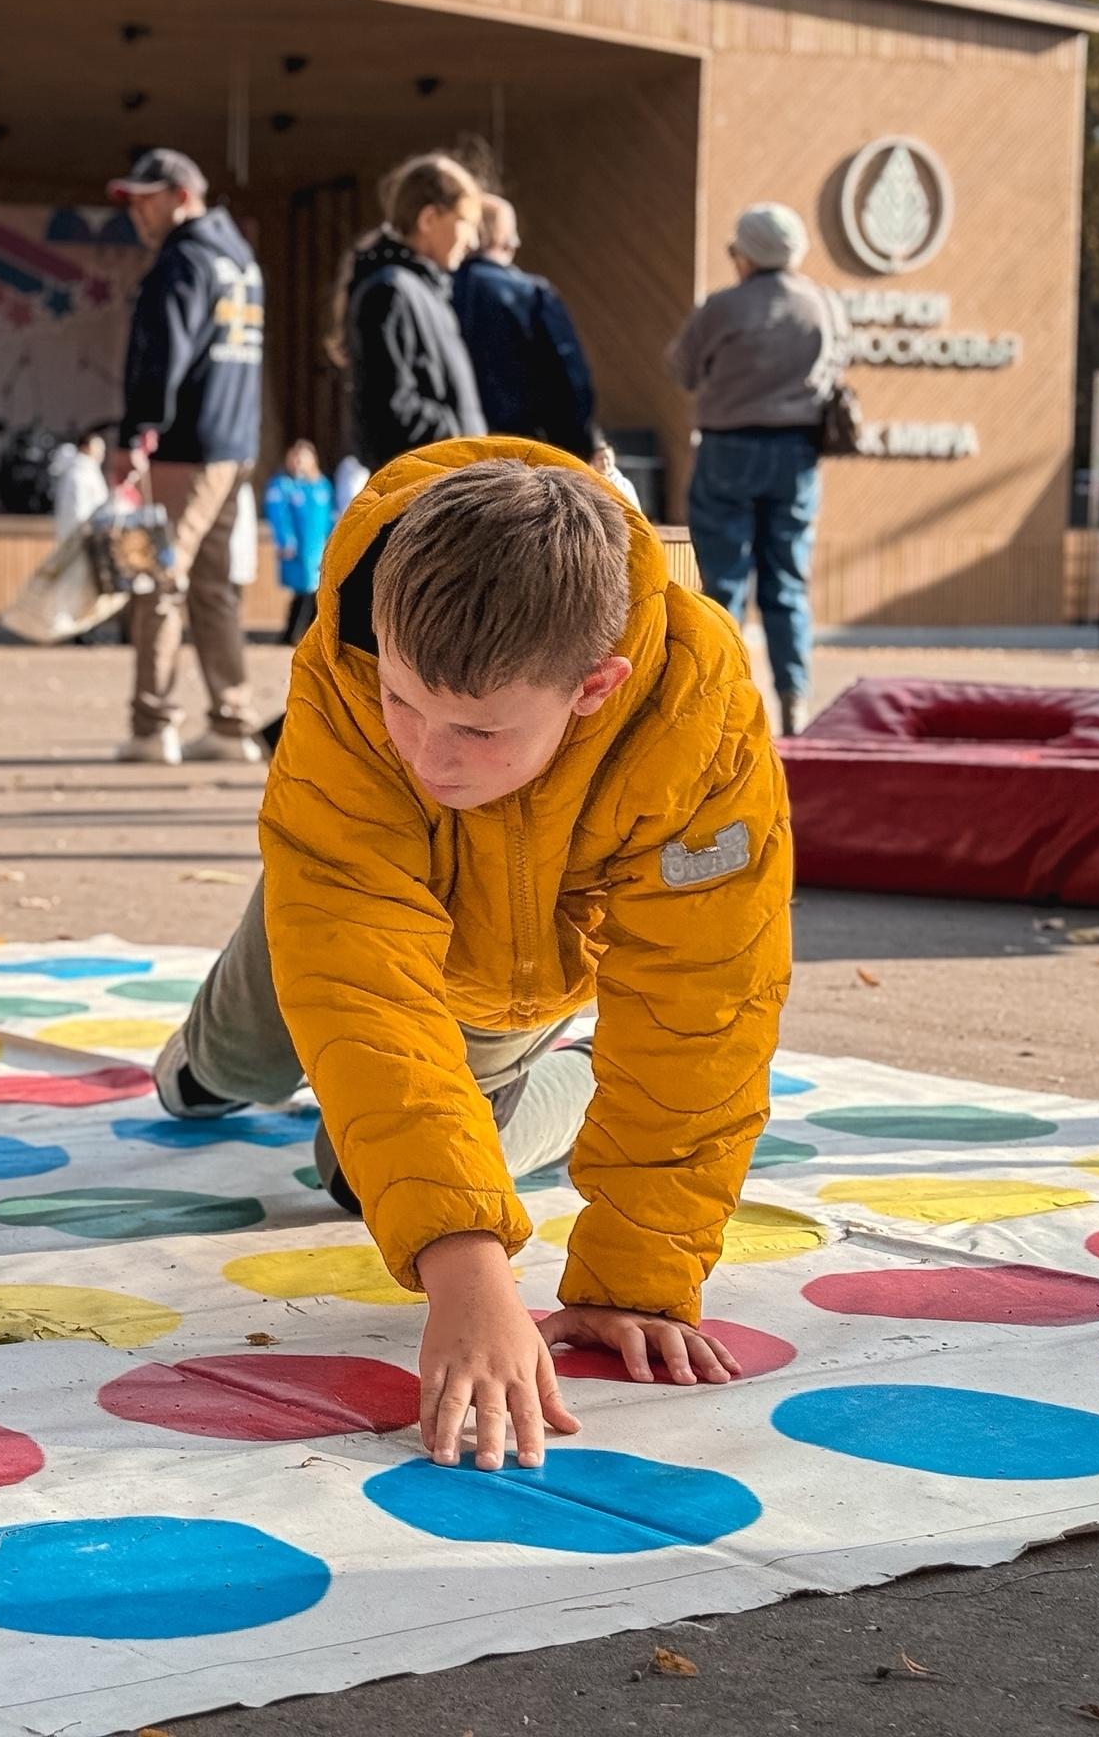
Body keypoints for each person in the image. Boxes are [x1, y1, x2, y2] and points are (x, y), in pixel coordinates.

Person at [154, 446, 791, 1471]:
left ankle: (570, 1083)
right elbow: (353, 968)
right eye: (403, 702)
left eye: (476, 729)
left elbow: (703, 1000)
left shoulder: (696, 709)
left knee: (367, 1185)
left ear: (595, 688)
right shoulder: (351, 645)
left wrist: (634, 1275)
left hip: (518, 972)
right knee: (223, 1069)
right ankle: (202, 1065)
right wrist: (464, 1275)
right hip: (352, 897)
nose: (426, 754)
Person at [667, 202, 846, 738]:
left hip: (729, 448)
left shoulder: (724, 307)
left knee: (722, 582)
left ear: (744, 253)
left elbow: (683, 369)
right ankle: (794, 703)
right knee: (787, 580)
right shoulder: (823, 303)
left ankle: (720, 704)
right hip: (797, 454)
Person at [109, 148, 264, 766]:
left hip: (185, 448)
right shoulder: (240, 258)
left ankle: (153, 725)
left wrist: (133, 433)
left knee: (157, 580)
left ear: (180, 194)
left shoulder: (183, 259)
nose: (137, 213)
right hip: (234, 444)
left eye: (146, 199)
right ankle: (231, 721)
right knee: (213, 587)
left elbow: (160, 354)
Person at [337, 153, 486, 470]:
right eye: (465, 223)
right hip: (421, 495)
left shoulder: (427, 292)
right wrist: (464, 439)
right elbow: (387, 414)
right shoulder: (390, 292)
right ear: (429, 219)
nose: (472, 241)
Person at [451, 195, 601, 458]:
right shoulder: (531, 295)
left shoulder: (435, 293)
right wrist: (576, 452)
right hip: (524, 451)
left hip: (450, 451)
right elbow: (572, 381)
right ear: (505, 239)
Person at [263, 441, 334, 646]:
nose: (298, 462)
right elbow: (278, 514)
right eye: (295, 457)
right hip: (299, 548)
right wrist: (285, 539)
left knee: (316, 591)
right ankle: (293, 633)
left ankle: (308, 635)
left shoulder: (322, 486)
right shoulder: (284, 485)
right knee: (304, 590)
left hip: (318, 546)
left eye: (303, 457)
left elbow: (330, 516)